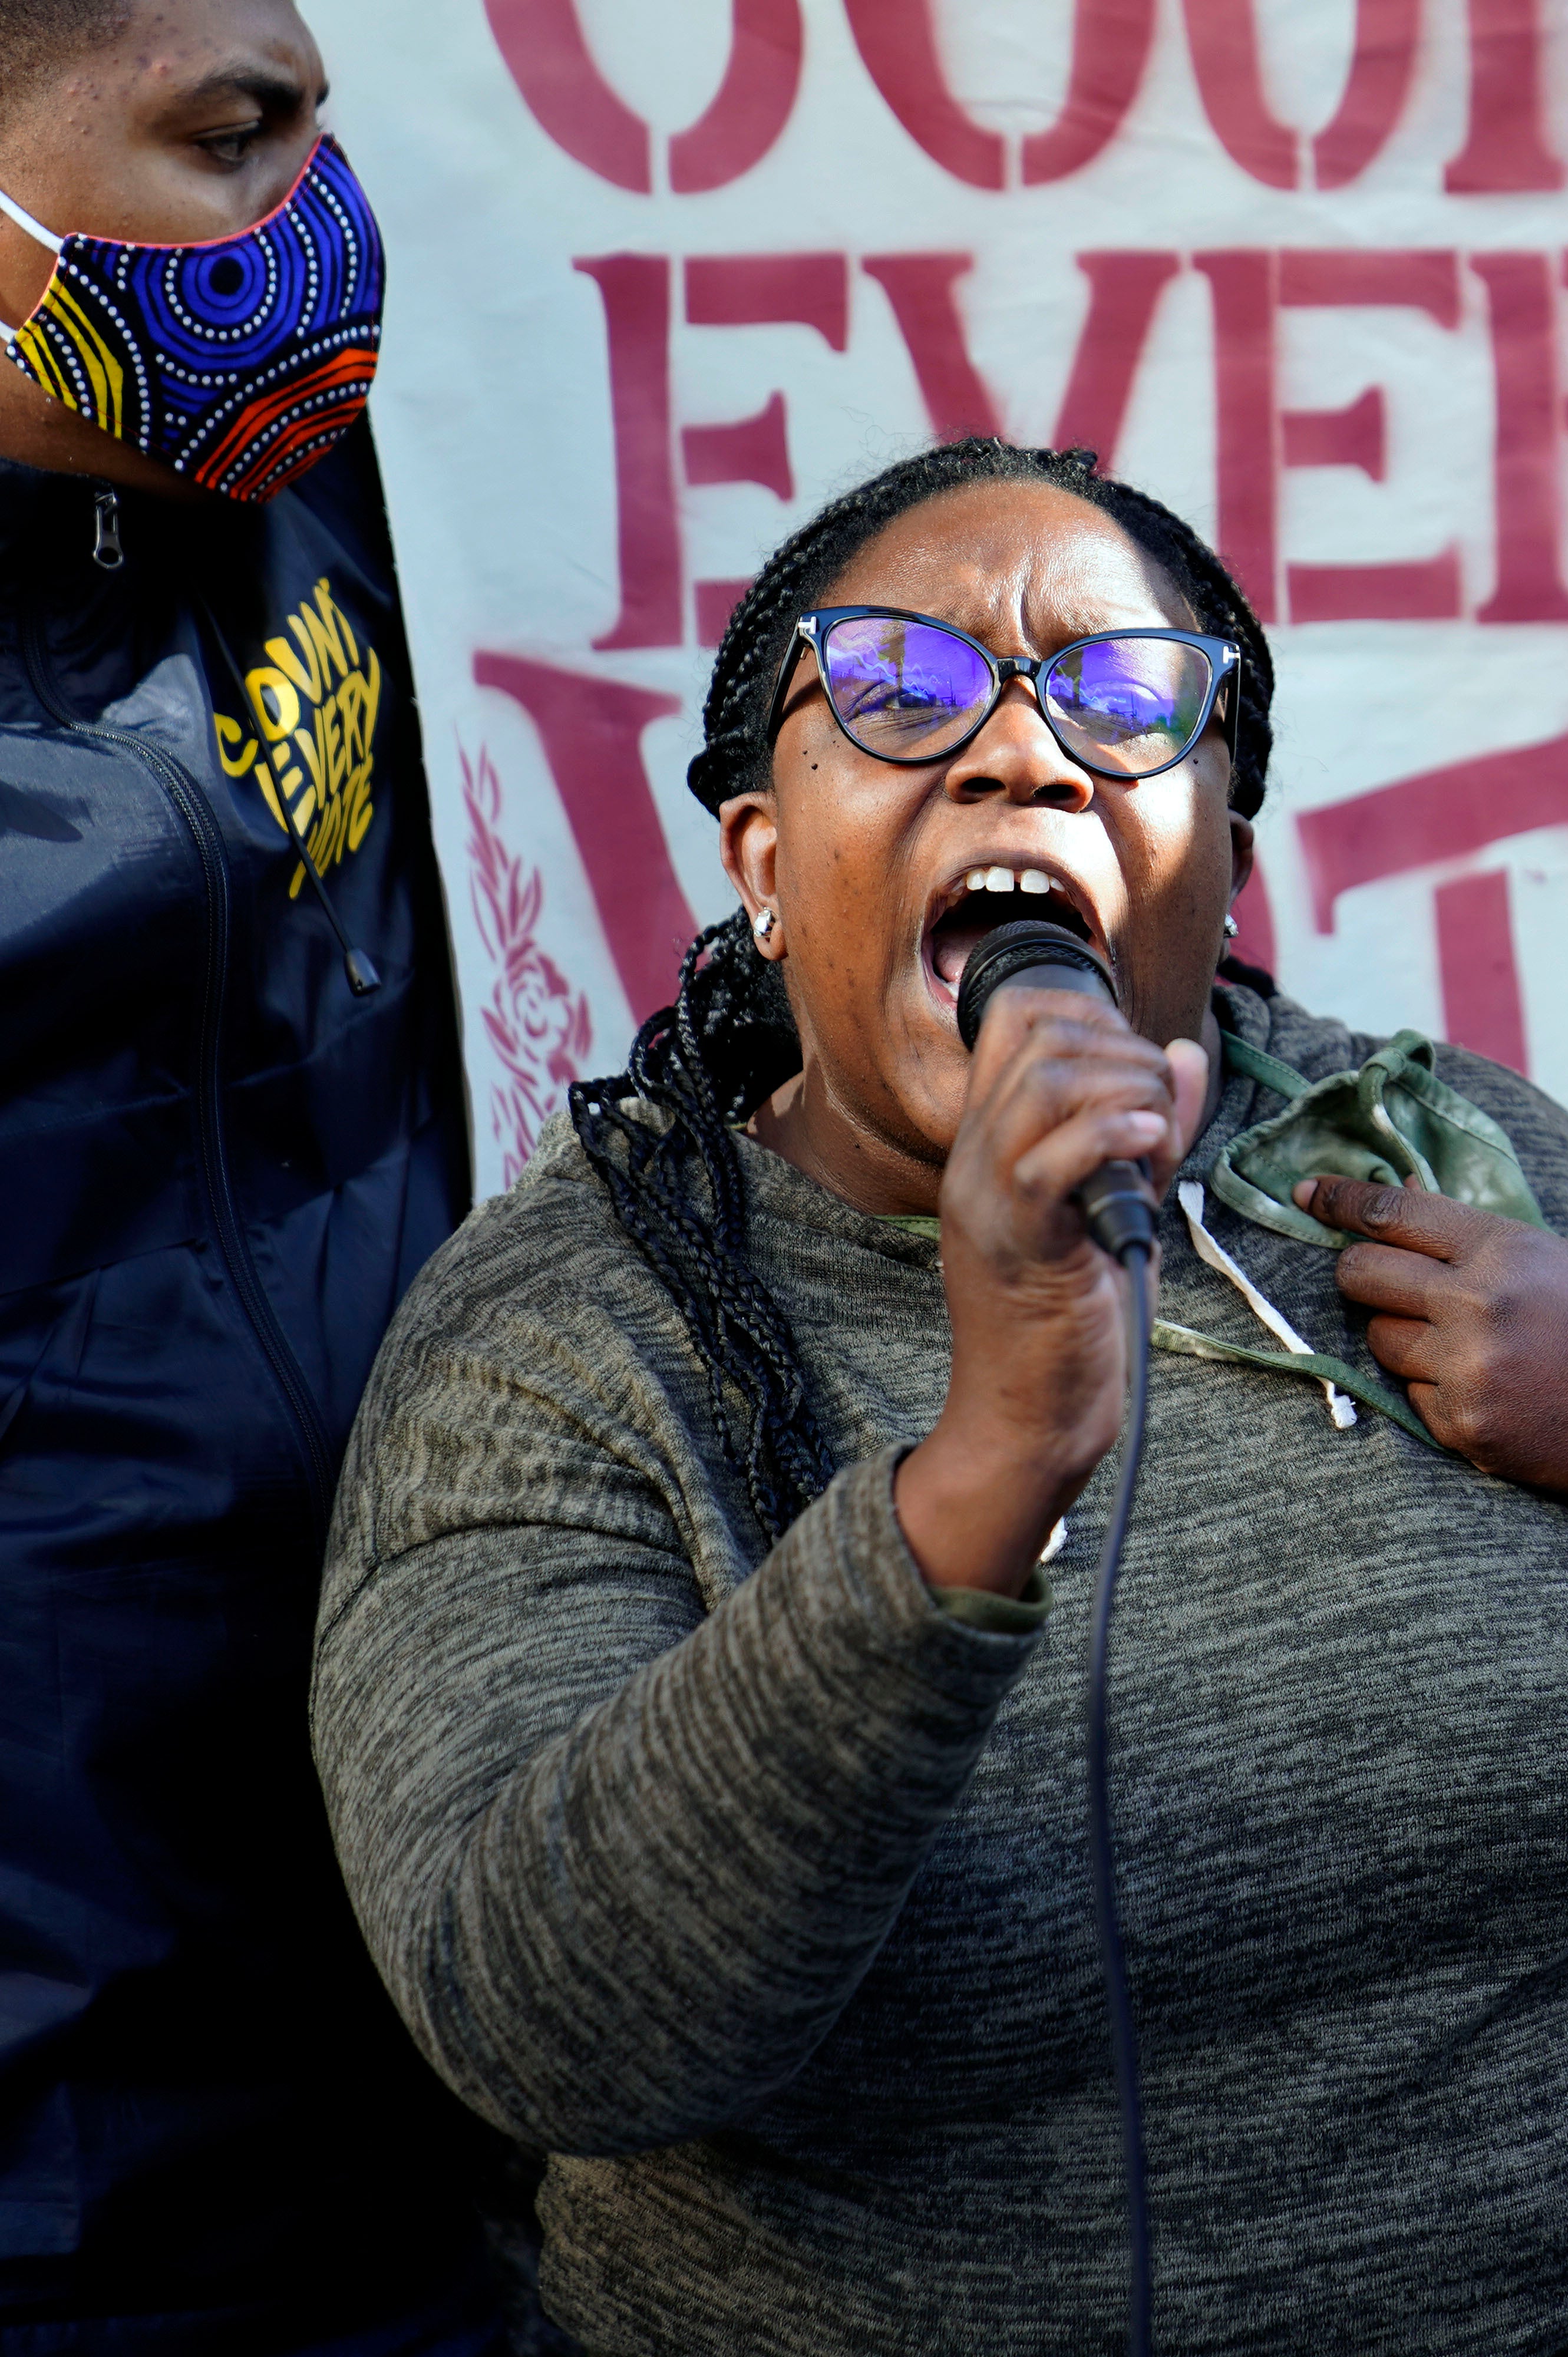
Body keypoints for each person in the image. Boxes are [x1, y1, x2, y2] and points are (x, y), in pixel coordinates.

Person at [309, 436, 1568, 2353]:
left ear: (1224, 863)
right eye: (899, 686)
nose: (1023, 753)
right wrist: (986, 1466)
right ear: (767, 864)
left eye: (1123, 702)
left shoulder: (1449, 1153)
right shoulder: (569, 1336)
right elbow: (543, 2026)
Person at [0, 0, 508, 2345]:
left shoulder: (308, 496)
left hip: (413, 1947)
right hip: (68, 2121)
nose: (323, 225)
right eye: (237, 139)